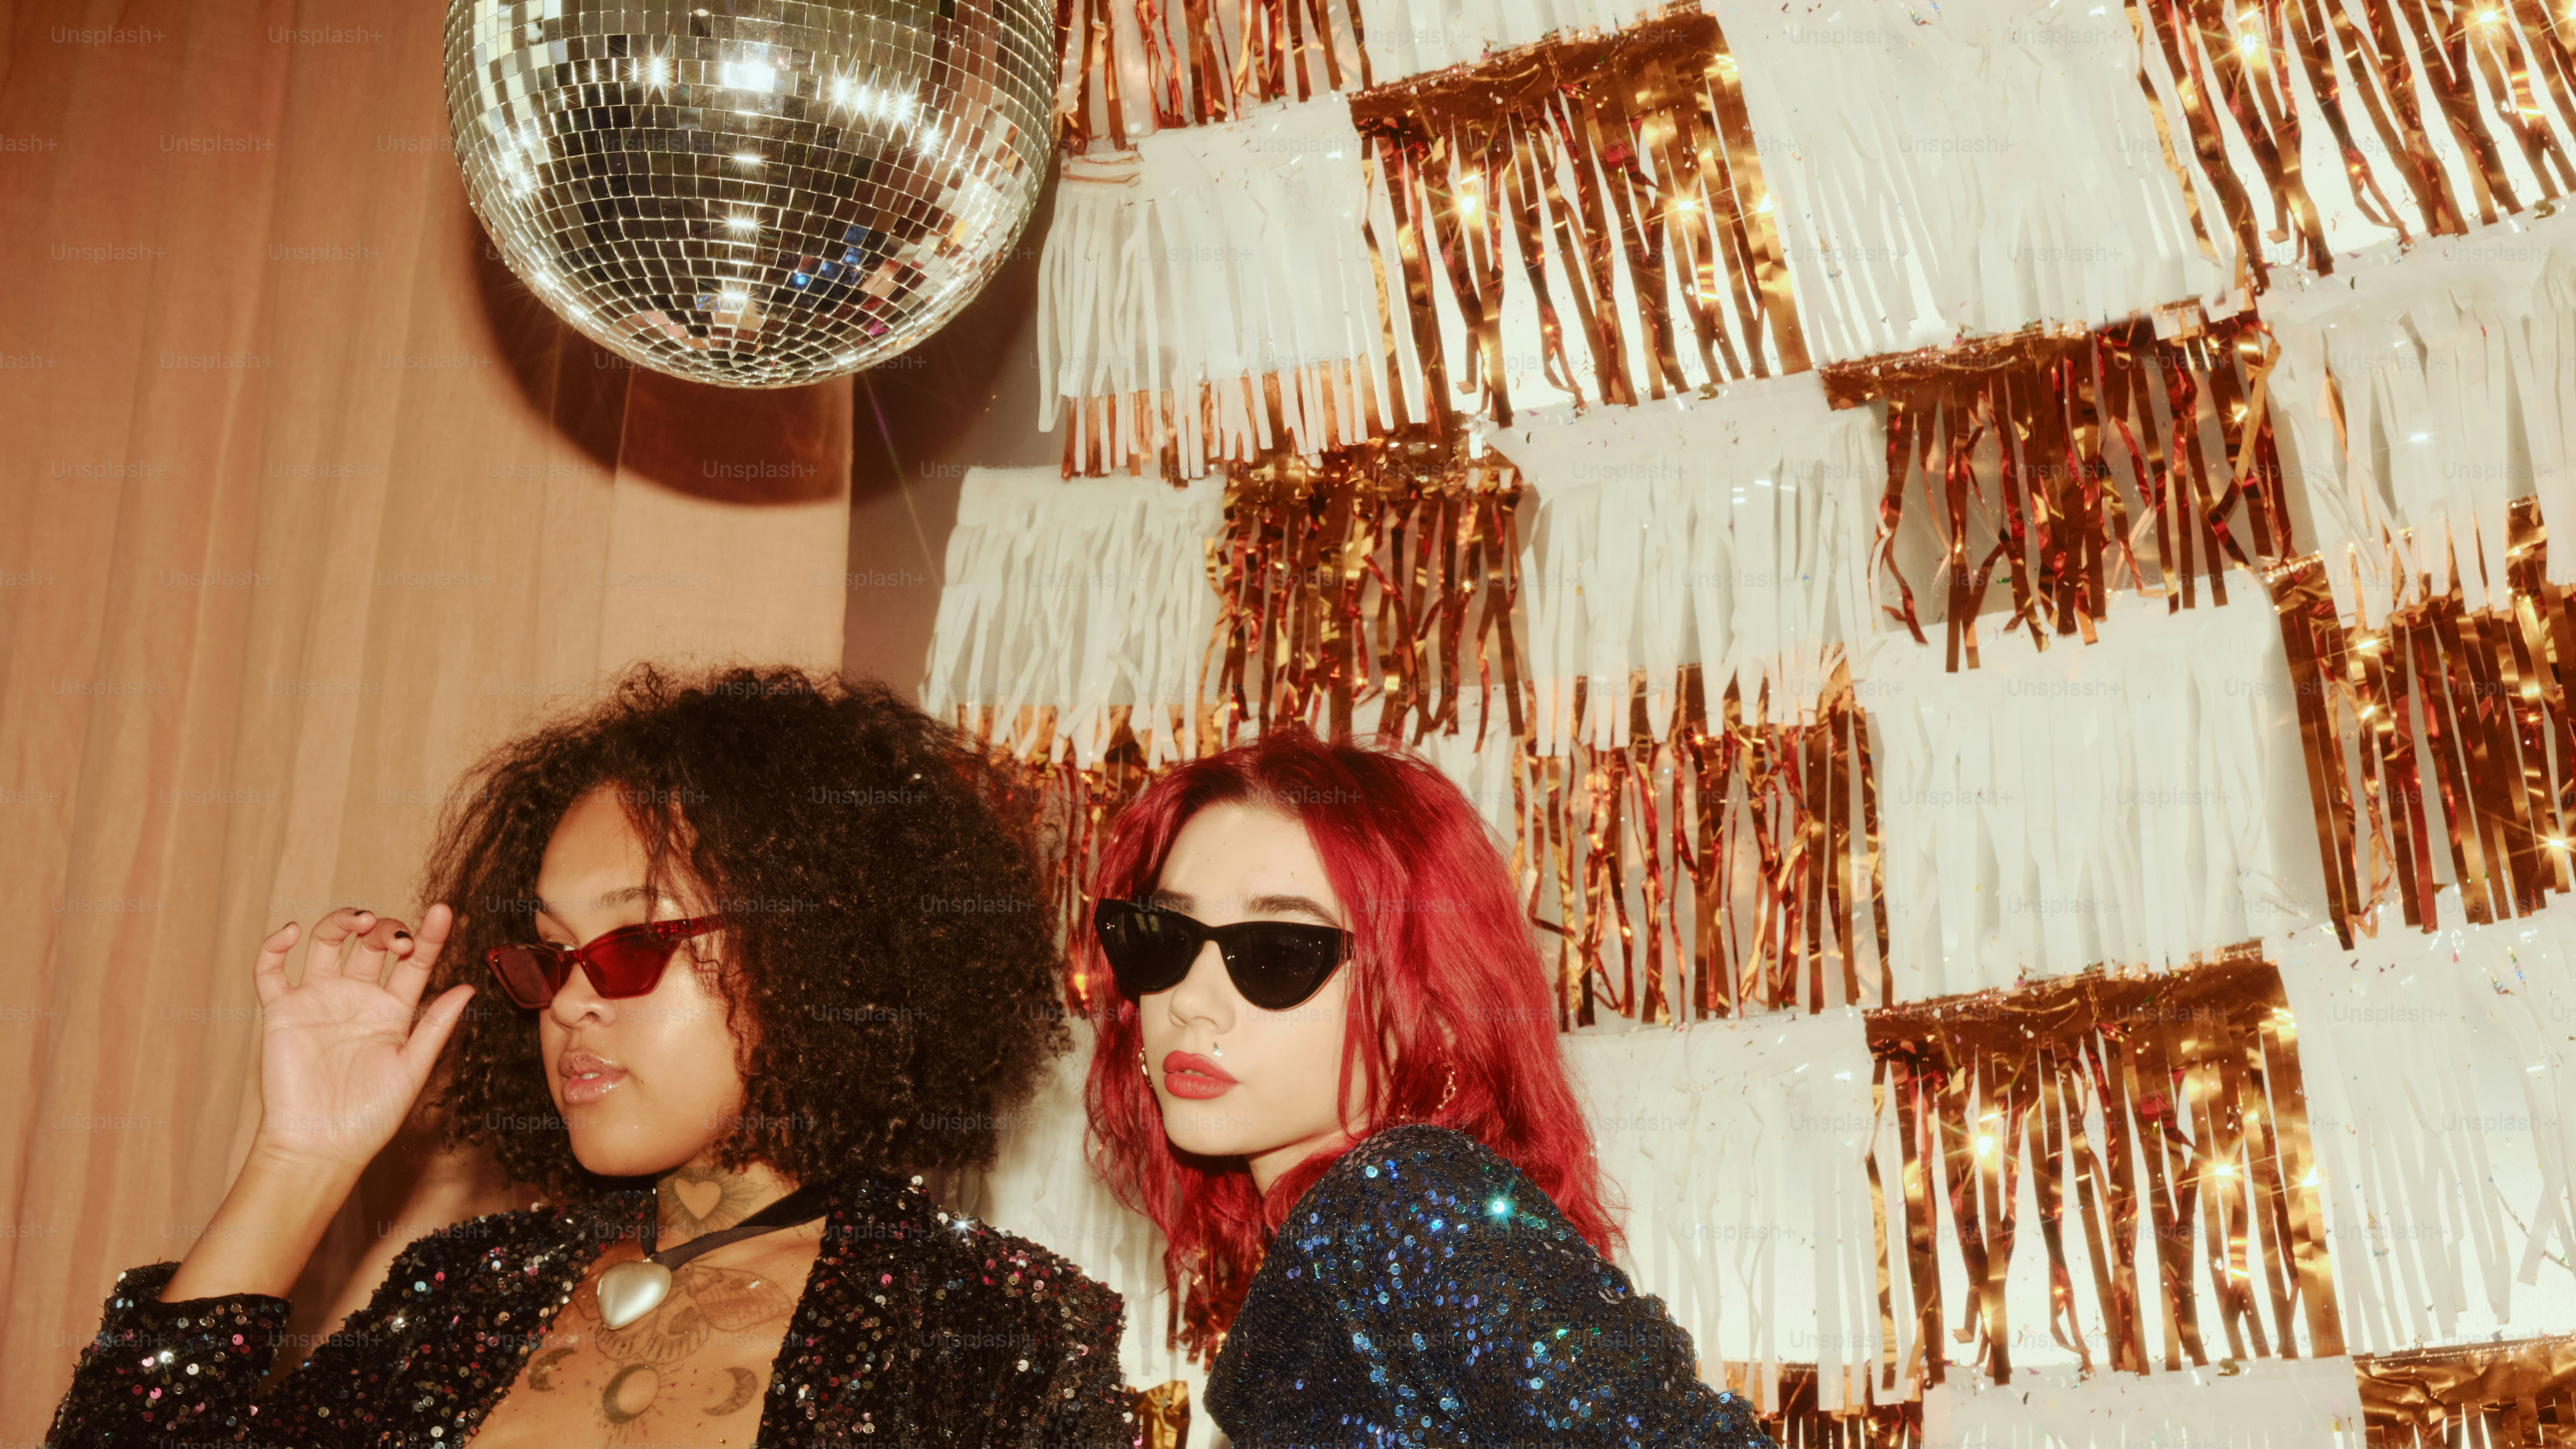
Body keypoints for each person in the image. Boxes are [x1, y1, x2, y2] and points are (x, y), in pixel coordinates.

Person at [51, 665, 1134, 1448]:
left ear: (822, 952)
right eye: (548, 954)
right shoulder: (466, 1293)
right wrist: (299, 1161)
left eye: (631, 945)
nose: (569, 999)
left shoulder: (989, 1329)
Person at [1081, 726, 1777, 1446]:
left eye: (1277, 953)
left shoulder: (1408, 1204)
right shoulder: (1357, 1231)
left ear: (1440, 1011)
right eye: (1163, 937)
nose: (1190, 1002)